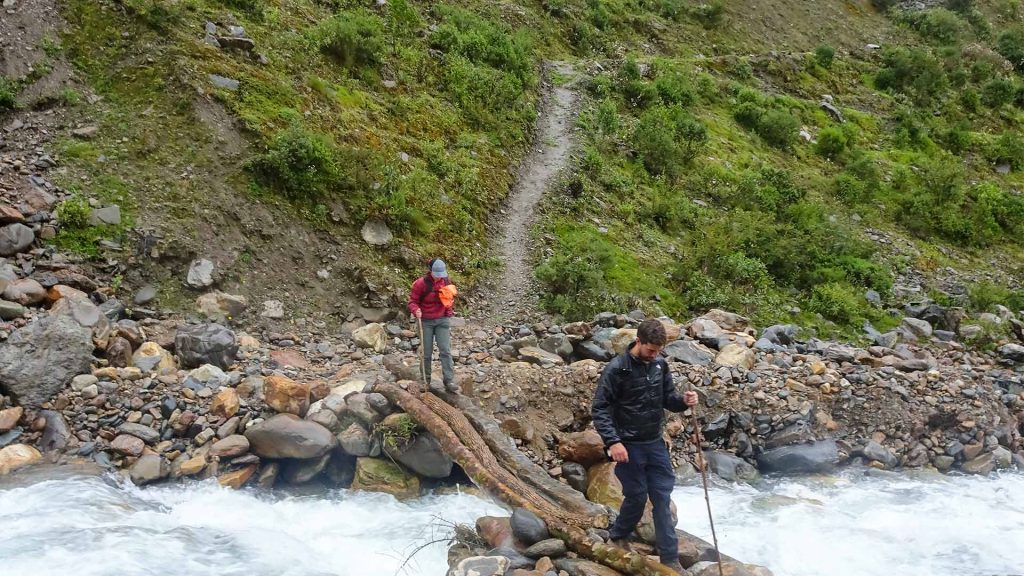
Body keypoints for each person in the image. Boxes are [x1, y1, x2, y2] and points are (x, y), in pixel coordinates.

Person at [591, 319, 699, 574]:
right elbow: (600, 408)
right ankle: (618, 534)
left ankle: (669, 558)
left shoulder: (660, 365)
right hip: (628, 444)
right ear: (638, 341)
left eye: (659, 350)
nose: (655, 355)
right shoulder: (617, 368)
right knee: (637, 495)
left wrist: (684, 400)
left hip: (654, 442)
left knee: (662, 497)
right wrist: (613, 441)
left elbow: (668, 399)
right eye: (651, 350)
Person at [408, 258, 455, 387]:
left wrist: (448, 312)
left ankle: (449, 380)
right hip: (425, 321)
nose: (439, 277)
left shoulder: (446, 281)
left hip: (442, 320)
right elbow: (412, 301)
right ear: (430, 271)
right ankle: (425, 380)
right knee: (426, 352)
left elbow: (448, 298)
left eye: (441, 274)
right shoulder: (420, 284)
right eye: (437, 274)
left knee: (445, 350)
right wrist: (416, 309)